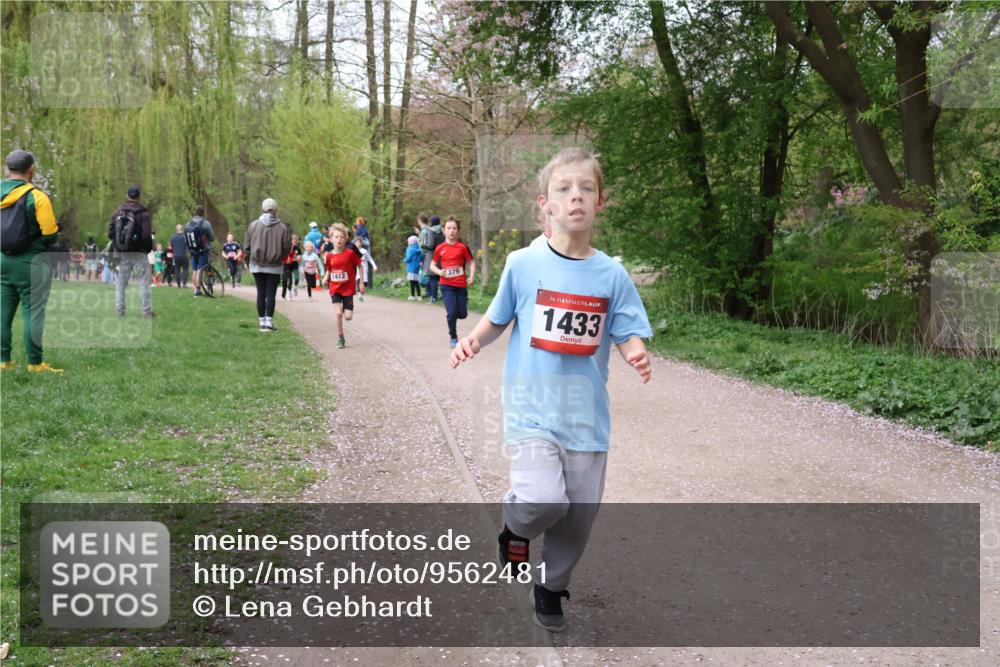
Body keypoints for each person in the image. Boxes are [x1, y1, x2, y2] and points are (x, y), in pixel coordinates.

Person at [450, 147, 652, 633]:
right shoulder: (523, 263)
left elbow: (626, 328)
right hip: (531, 410)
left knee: (576, 519)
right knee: (543, 500)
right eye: (564, 188)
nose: (576, 196)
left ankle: (550, 585)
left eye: (586, 188)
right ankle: (515, 526)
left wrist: (636, 351)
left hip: (586, 417)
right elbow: (499, 317)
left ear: (600, 201)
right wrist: (473, 340)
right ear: (545, 204)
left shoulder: (611, 274)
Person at [0, 149, 63, 373]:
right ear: (31, 170)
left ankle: (3, 361)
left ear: (8, 169)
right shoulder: (37, 197)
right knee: (33, 312)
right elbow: (50, 234)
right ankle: (35, 363)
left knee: (3, 313)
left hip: (2, 261)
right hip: (31, 262)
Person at [244, 198, 290, 332]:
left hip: (257, 264)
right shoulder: (282, 228)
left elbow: (247, 246)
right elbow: (287, 248)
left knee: (261, 293)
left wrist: (249, 258)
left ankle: (261, 323)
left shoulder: (253, 225)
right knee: (270, 294)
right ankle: (269, 323)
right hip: (275, 265)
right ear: (275, 210)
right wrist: (280, 256)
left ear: (263, 209)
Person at [109, 185, 154, 318]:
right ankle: (146, 311)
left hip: (124, 252)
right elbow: (146, 235)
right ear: (139, 197)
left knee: (121, 283)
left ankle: (120, 310)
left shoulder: (118, 212)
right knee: (144, 282)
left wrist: (120, 244)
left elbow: (110, 233)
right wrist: (146, 249)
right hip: (139, 252)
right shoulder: (144, 214)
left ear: (127, 196)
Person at [430, 217, 475, 347]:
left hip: (460, 285)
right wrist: (439, 272)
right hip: (446, 285)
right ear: (444, 230)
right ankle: (453, 337)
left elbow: (471, 262)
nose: (452, 231)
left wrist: (471, 276)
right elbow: (432, 266)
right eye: (449, 228)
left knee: (462, 314)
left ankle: (460, 311)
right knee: (451, 312)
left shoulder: (462, 247)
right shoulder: (440, 248)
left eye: (454, 228)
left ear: (458, 231)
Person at [324, 223, 363, 349]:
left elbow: (360, 266)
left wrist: (361, 283)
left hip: (348, 289)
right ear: (331, 239)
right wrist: (325, 277)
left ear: (346, 239)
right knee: (338, 314)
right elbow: (329, 269)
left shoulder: (350, 253)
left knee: (348, 317)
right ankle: (341, 338)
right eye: (336, 237)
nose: (339, 239)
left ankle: (346, 309)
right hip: (335, 288)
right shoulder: (329, 255)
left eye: (341, 237)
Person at [185, 204, 215, 297]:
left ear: (195, 212)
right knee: (200, 269)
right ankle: (198, 290)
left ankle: (195, 290)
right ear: (203, 213)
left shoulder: (188, 224)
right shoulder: (205, 223)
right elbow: (212, 237)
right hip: (203, 249)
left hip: (193, 250)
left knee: (194, 269)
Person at [421, 214, 445, 302]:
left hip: (432, 256)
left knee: (432, 278)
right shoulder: (442, 231)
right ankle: (443, 295)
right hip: (441, 256)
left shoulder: (431, 231)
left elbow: (431, 245)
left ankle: (434, 297)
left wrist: (423, 245)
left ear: (432, 222)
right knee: (440, 277)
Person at [281, 234, 301, 300]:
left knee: (297, 278)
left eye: (296, 242)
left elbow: (299, 256)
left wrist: (299, 258)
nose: (295, 243)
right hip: (287, 266)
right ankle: (287, 294)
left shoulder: (297, 248)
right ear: (290, 241)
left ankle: (295, 287)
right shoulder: (286, 248)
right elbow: (284, 258)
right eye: (294, 242)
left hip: (294, 265)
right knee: (287, 280)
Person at [169, 224, 189, 289]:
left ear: (176, 229)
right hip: (183, 255)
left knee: (177, 270)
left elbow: (171, 246)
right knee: (185, 269)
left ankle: (178, 284)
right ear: (182, 229)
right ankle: (184, 284)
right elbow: (188, 245)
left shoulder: (173, 237)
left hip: (176, 255)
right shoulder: (185, 237)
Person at [403, 234, 423, 300]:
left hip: (411, 268)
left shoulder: (410, 249)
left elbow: (408, 258)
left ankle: (412, 295)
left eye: (408, 241)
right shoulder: (419, 249)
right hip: (416, 268)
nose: (408, 243)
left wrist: (405, 260)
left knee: (411, 282)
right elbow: (421, 257)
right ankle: (419, 296)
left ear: (411, 242)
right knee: (416, 282)